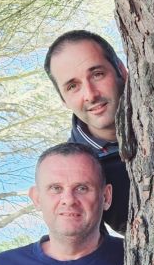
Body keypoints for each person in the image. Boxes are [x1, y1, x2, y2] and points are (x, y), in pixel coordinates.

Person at [44, 30, 131, 236]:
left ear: (122, 70)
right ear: (63, 100)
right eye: (73, 86)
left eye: (97, 74)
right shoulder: (76, 173)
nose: (91, 94)